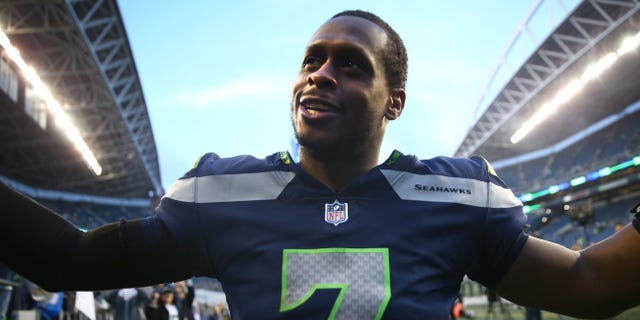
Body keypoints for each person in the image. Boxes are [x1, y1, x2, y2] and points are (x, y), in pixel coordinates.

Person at [2, 9, 640, 319]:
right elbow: (67, 261)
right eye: (312, 60)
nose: (321, 75)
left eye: (351, 65)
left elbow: (590, 284)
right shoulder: (223, 191)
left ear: (395, 102)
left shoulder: (453, 193)